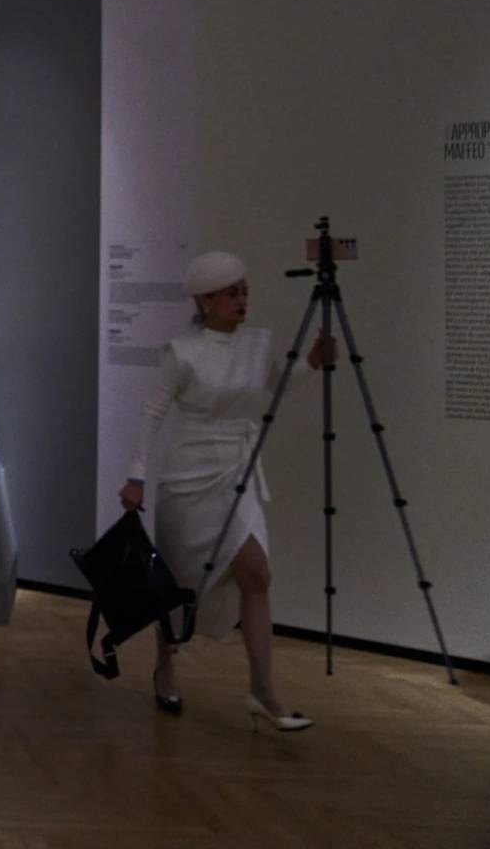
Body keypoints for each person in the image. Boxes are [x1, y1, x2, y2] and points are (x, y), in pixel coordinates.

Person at [119, 249, 331, 730]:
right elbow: (153, 412)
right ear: (205, 301)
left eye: (244, 291)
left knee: (256, 574)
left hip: (240, 470)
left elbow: (276, 383)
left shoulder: (258, 343)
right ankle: (166, 667)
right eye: (231, 293)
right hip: (188, 477)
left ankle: (264, 691)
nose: (242, 300)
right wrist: (136, 475)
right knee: (178, 586)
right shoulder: (182, 351)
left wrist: (311, 364)